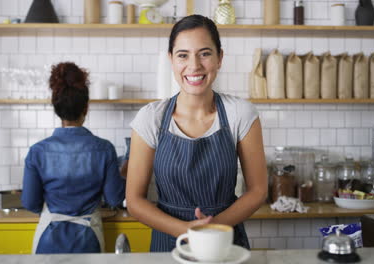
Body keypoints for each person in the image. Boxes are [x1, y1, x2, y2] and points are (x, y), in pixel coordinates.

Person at [126, 15, 268, 252]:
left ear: (220, 58)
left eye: (205, 53)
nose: (194, 66)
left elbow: (258, 191)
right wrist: (185, 230)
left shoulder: (240, 114)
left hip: (224, 239)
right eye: (183, 55)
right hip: (169, 242)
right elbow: (135, 201)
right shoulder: (150, 118)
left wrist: (212, 229)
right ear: (171, 59)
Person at [21, 62, 125, 254]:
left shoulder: (37, 151)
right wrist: (124, 174)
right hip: (88, 240)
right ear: (86, 107)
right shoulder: (104, 149)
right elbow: (114, 198)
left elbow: (30, 202)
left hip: (48, 240)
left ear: (56, 108)